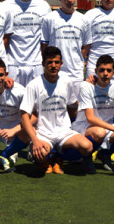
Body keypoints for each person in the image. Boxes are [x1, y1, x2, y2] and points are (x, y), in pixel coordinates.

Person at [20, 46, 94, 174]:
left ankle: (58, 157)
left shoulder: (67, 81)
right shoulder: (34, 85)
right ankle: (47, 159)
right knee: (40, 154)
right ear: (43, 64)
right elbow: (24, 115)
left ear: (61, 64)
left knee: (87, 147)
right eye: (49, 62)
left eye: (56, 62)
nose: (53, 66)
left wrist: (89, 91)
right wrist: (35, 140)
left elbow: (72, 106)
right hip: (43, 133)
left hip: (63, 132)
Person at [74, 55, 114, 174]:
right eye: (102, 70)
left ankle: (105, 154)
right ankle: (87, 157)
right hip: (85, 126)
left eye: (109, 70)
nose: (105, 73)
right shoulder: (87, 86)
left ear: (113, 72)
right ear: (96, 71)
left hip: (107, 127)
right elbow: (90, 118)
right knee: (100, 132)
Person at [41, 0, 91, 99]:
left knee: (76, 108)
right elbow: (44, 46)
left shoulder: (83, 20)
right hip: (55, 71)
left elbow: (86, 45)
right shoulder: (49, 19)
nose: (69, 0)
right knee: (55, 105)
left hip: (76, 72)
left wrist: (79, 58)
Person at [3, 0, 51, 86]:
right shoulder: (6, 6)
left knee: (35, 104)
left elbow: (47, 39)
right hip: (13, 64)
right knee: (12, 104)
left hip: (36, 65)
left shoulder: (44, 7)